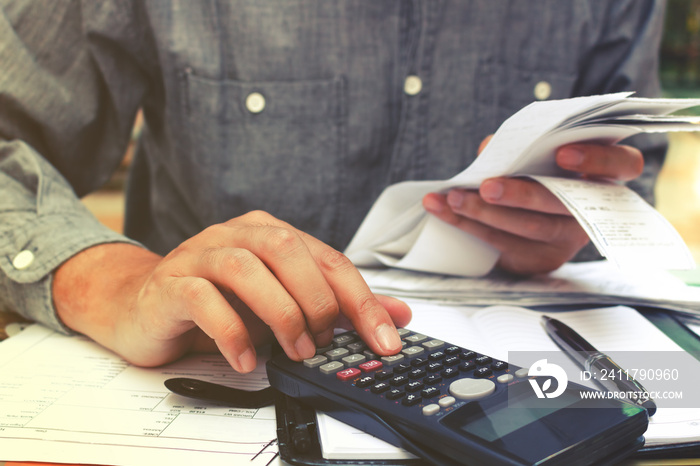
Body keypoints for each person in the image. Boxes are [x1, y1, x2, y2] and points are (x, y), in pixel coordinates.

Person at [0, 0, 667, 372]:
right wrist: (119, 283)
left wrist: (573, 227)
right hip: (210, 380)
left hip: (517, 392)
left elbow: (633, 177)